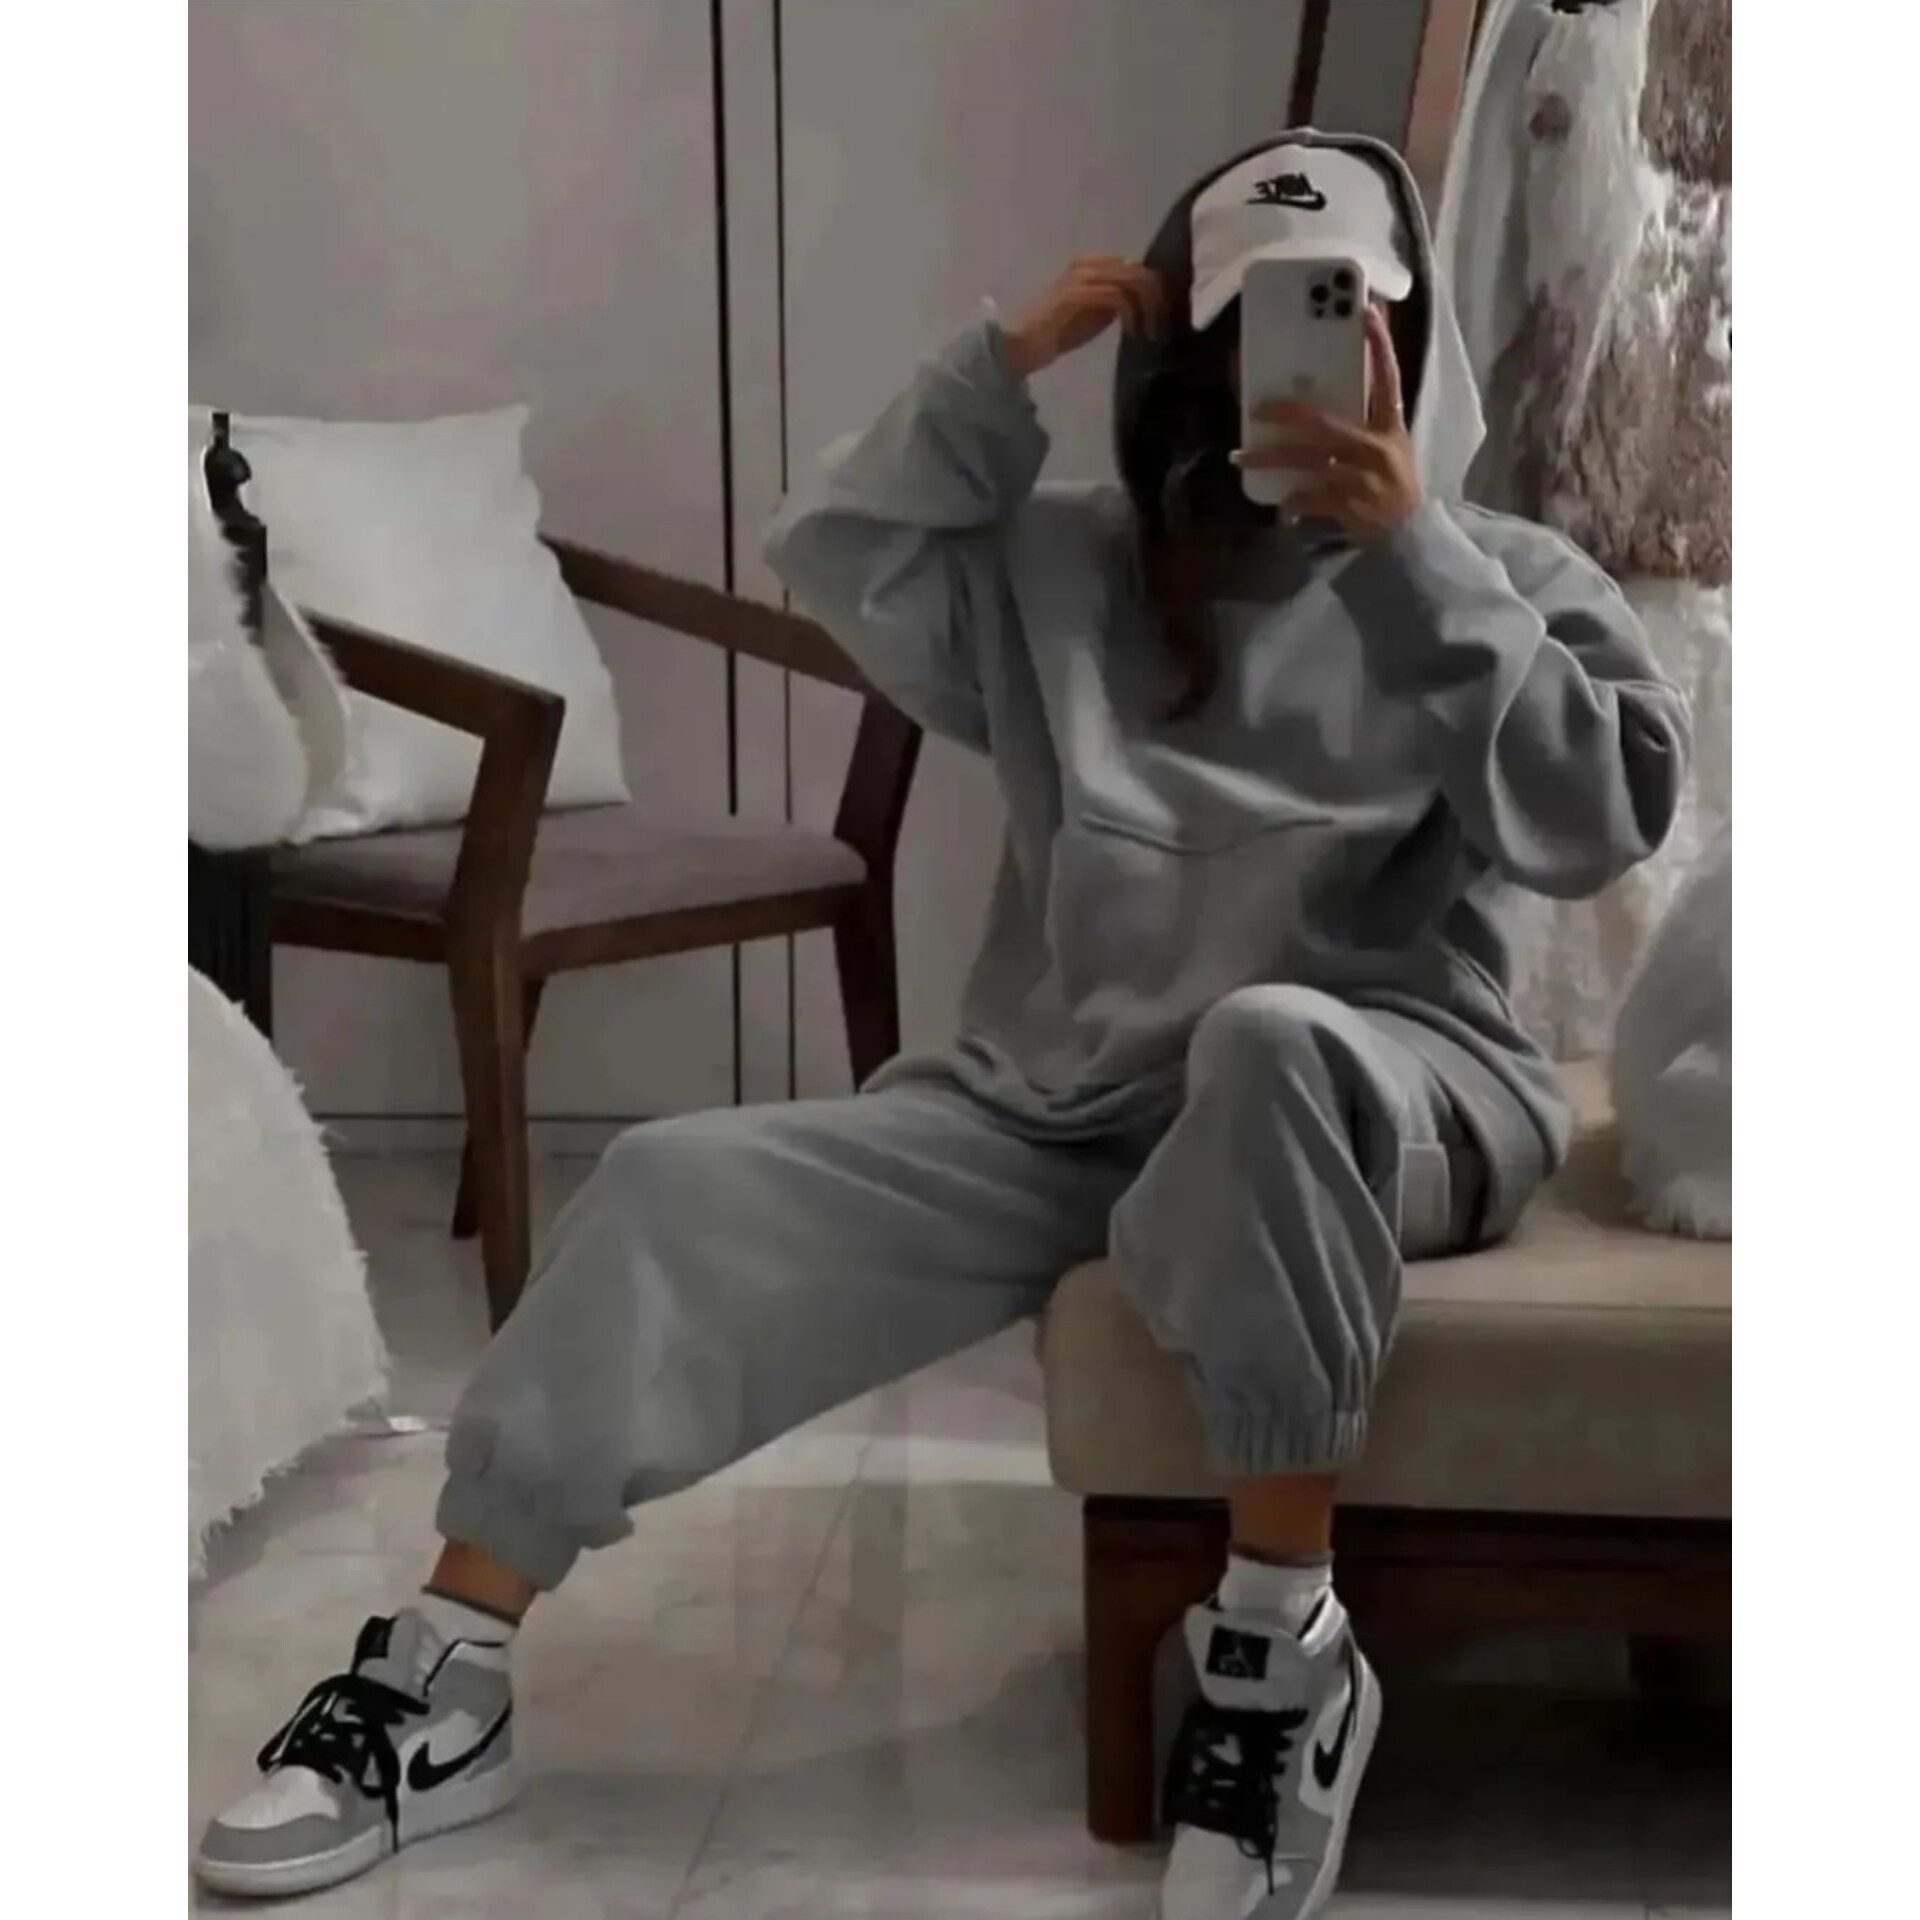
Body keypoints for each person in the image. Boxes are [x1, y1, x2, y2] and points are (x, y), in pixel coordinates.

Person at [194, 131, 1687, 1920]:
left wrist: (1411, 551)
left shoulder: (1505, 571)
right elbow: (837, 551)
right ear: (1187, 346)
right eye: (1247, 322)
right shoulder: (1077, 564)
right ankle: (445, 1666)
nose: (1289, 356)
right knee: (671, 1188)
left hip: (1375, 1085)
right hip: (1060, 1104)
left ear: (1405, 335)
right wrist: (1005, 365)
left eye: (1340, 310)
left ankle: (1283, 1646)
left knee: (1269, 1043)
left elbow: (1604, 816)